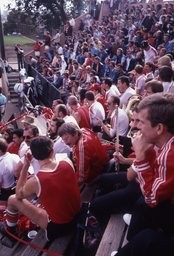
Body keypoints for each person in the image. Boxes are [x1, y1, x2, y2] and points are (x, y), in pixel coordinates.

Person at [0, 136, 80, 246]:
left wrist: (26, 166)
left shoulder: (37, 180)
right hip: (77, 213)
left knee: (12, 199)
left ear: (34, 156)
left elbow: (18, 195)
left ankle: (10, 231)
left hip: (60, 227)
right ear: (52, 150)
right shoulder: (66, 161)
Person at [126, 93, 174, 241]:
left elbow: (152, 199)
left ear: (159, 128)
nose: (135, 126)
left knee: (145, 240)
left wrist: (140, 156)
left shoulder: (169, 155)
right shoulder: (164, 142)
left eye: (140, 122)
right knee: (140, 205)